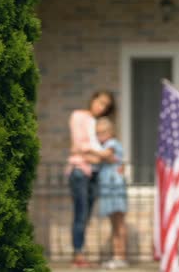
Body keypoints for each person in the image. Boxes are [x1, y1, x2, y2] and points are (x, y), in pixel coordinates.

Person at [67, 91, 115, 268]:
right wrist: (102, 155)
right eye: (100, 102)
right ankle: (78, 255)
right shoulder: (78, 116)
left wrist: (99, 157)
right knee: (80, 213)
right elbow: (79, 145)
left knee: (86, 215)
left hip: (95, 173)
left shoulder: (99, 123)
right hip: (80, 171)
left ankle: (80, 253)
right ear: (93, 98)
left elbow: (106, 148)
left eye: (106, 106)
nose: (101, 107)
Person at [86, 117, 129, 269]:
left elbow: (104, 156)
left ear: (111, 132)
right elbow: (98, 160)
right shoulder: (104, 148)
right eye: (97, 133)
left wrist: (88, 150)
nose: (100, 136)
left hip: (115, 188)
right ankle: (116, 256)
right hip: (108, 189)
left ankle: (121, 257)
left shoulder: (112, 144)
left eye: (103, 132)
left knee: (119, 224)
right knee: (114, 224)